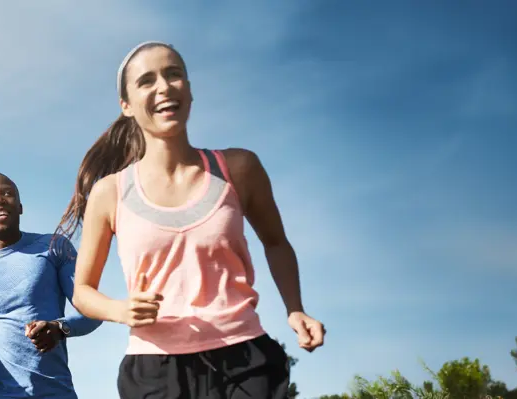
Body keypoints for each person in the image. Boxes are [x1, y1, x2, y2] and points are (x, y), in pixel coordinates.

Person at [55, 41, 326, 399]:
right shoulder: (111, 192)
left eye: (174, 74)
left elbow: (275, 242)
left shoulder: (239, 169)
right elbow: (83, 293)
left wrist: (295, 309)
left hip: (245, 357)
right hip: (155, 368)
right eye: (146, 81)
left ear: (189, 89)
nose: (164, 87)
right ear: (127, 105)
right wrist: (121, 310)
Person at [0, 172, 102, 398]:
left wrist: (59, 328)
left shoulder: (54, 247)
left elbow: (94, 310)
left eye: (7, 193)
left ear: (20, 207)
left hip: (54, 393)